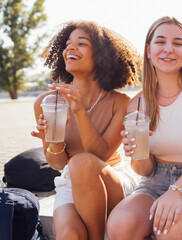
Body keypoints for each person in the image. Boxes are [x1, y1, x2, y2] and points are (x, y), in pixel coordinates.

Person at [106, 16, 182, 240]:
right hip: (152, 184)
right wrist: (137, 152)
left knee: (171, 228)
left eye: (178, 43)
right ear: (148, 50)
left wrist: (176, 192)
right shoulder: (136, 104)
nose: (168, 49)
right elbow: (143, 170)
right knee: (119, 225)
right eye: (160, 42)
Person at [31, 21, 142, 240]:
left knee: (81, 162)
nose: (70, 48)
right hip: (69, 183)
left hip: (112, 181)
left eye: (81, 44)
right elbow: (58, 164)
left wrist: (80, 111)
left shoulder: (120, 103)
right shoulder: (47, 102)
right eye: (67, 44)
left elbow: (98, 156)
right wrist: (54, 141)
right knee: (71, 235)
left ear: (101, 56)